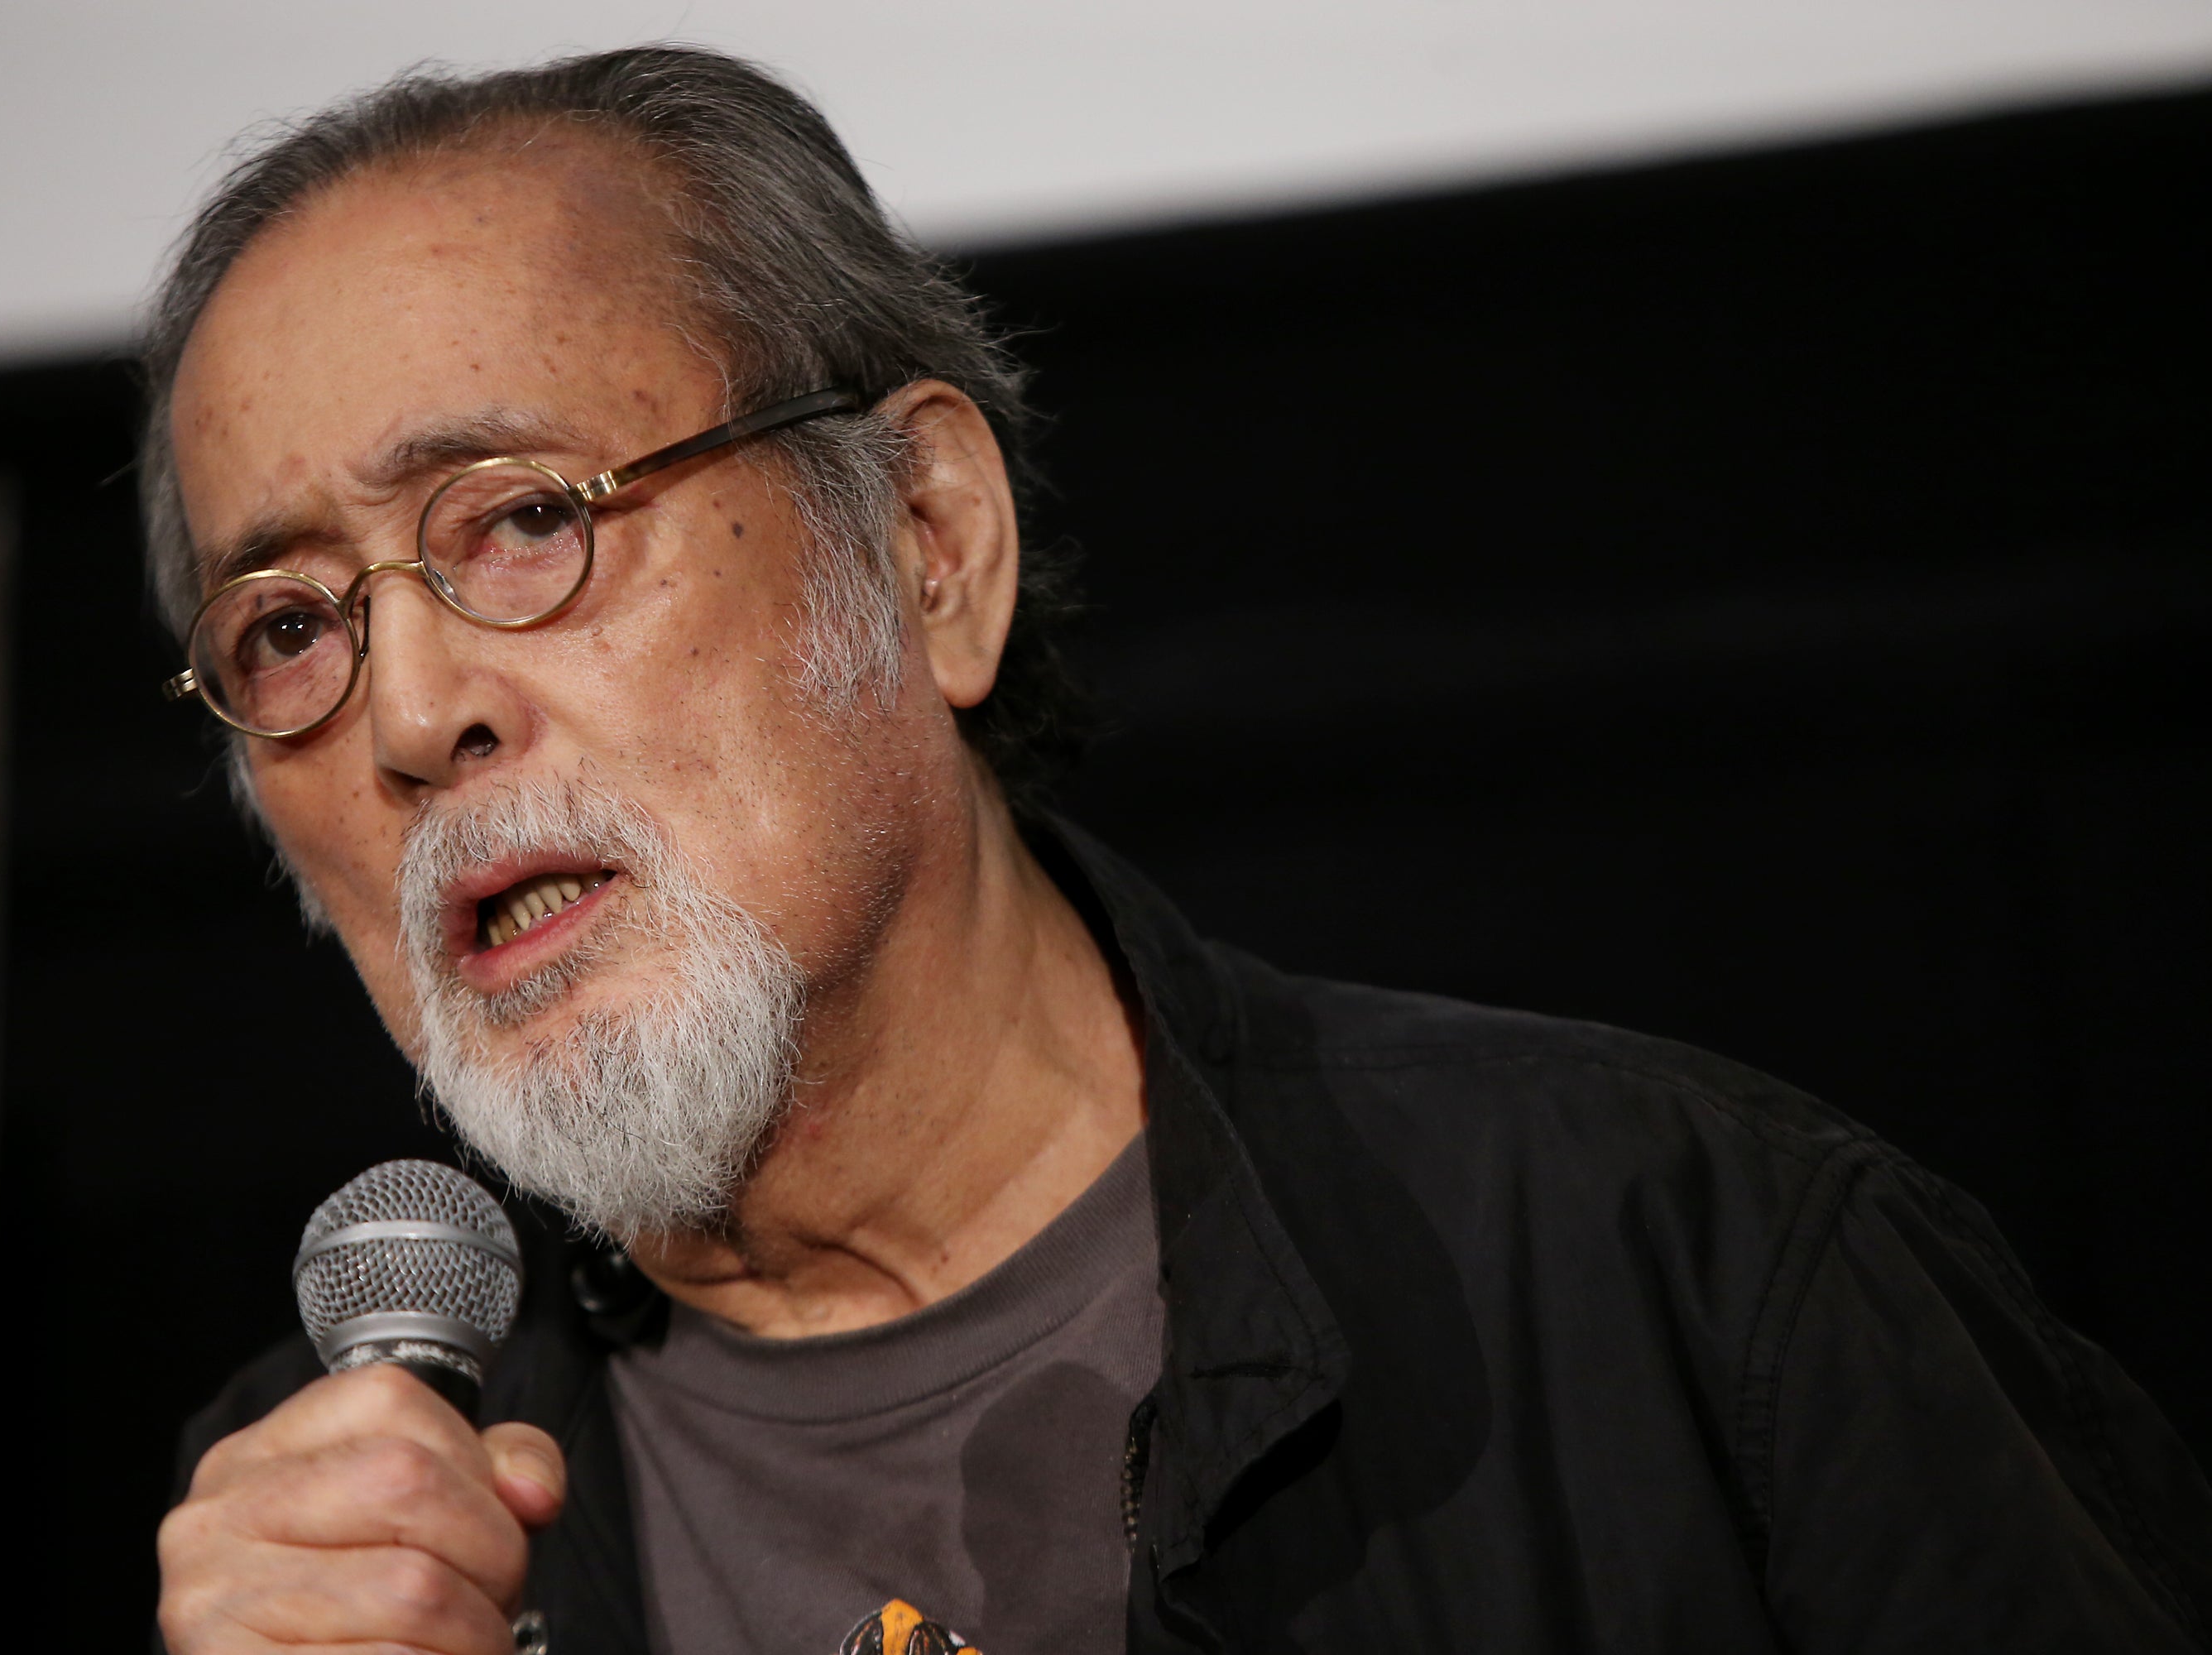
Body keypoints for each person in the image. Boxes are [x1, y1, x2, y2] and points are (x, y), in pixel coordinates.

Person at [145, 46, 2209, 1655]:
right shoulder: (330, 1534)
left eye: (520, 519)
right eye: (293, 628)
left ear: (929, 543)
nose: (414, 715)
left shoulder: (1684, 1271)